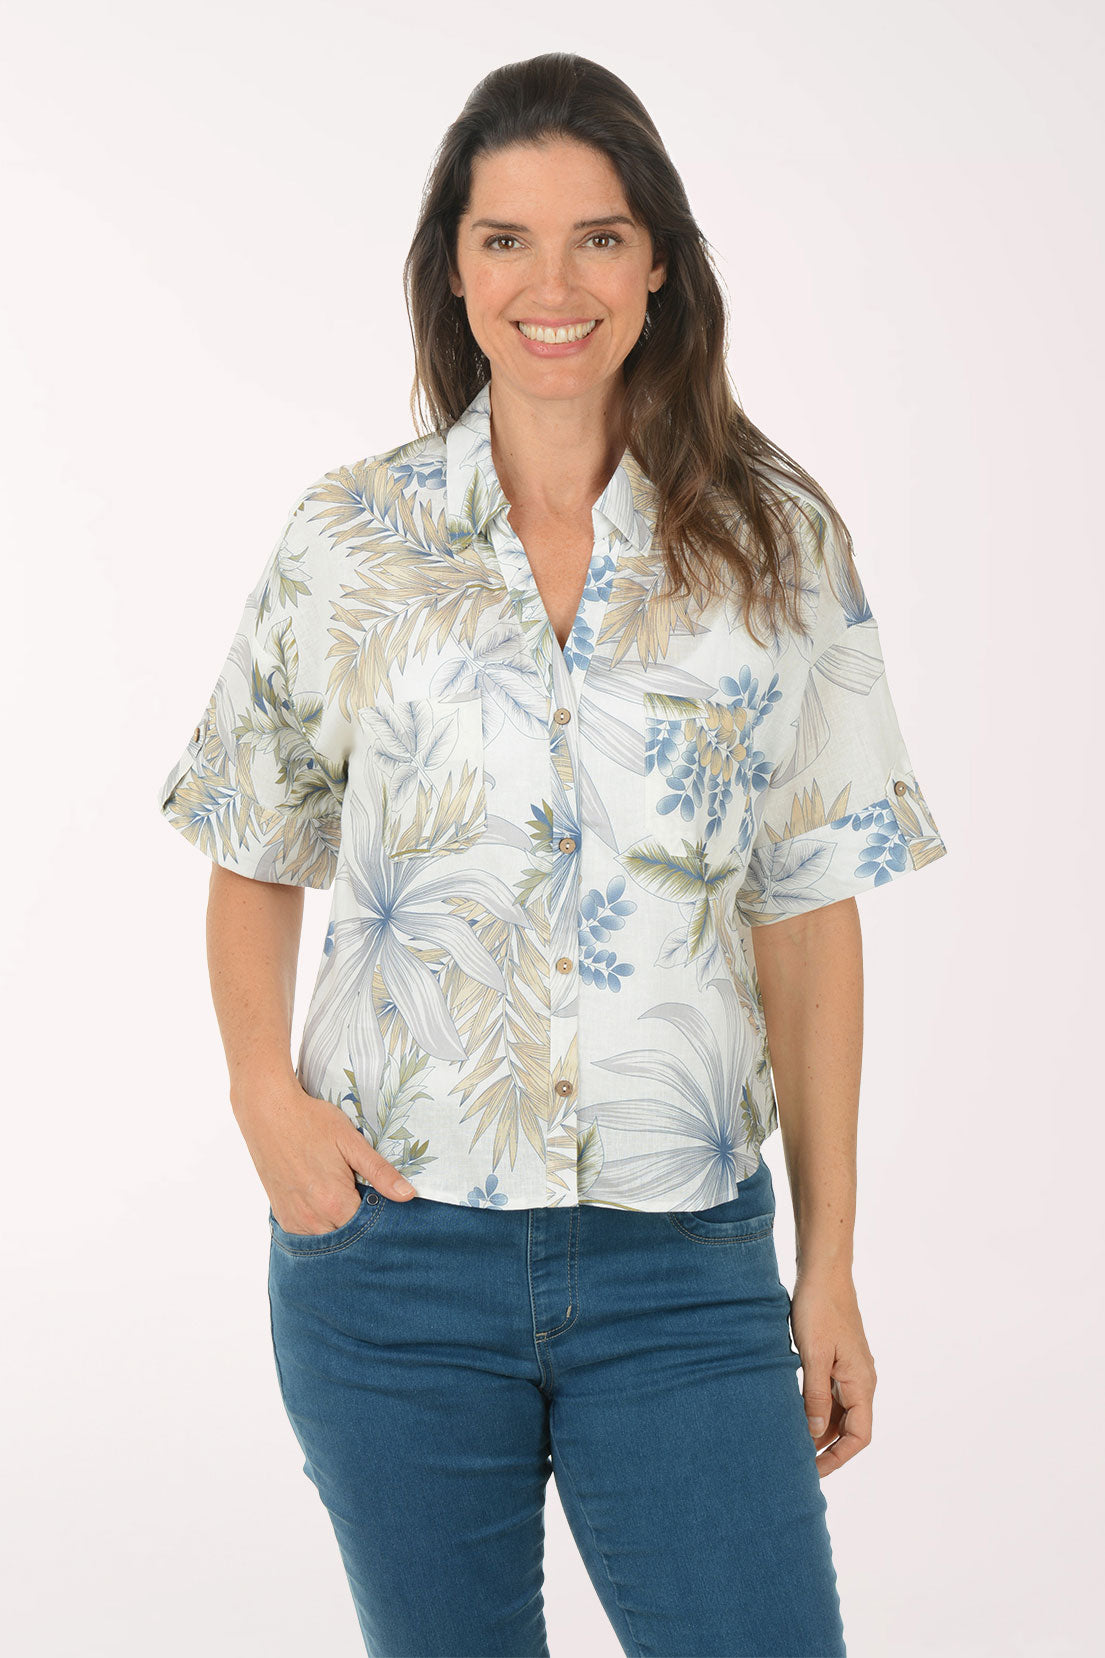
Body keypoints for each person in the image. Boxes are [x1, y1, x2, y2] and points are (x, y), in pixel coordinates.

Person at [156, 51, 948, 1658]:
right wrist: (262, 1100)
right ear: (454, 266)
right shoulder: (349, 540)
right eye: (504, 238)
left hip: (681, 1271)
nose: (551, 283)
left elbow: (807, 911)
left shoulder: (775, 544)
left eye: (596, 236)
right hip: (391, 1260)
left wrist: (830, 1262)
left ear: (659, 258)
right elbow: (255, 840)